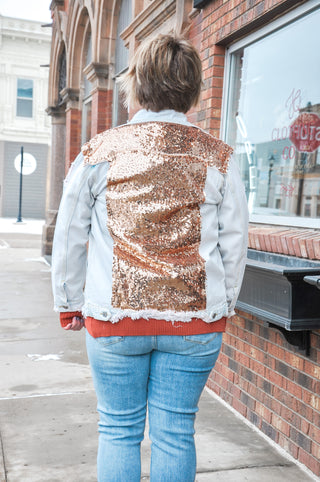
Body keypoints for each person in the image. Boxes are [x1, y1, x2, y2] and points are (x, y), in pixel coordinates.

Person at [52, 33, 248, 482]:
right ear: (193, 88)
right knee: (175, 432)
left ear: (136, 84)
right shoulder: (217, 157)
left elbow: (68, 235)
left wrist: (68, 302)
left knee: (118, 430)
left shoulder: (99, 151)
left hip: (115, 318)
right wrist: (225, 304)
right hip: (196, 322)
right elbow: (234, 243)